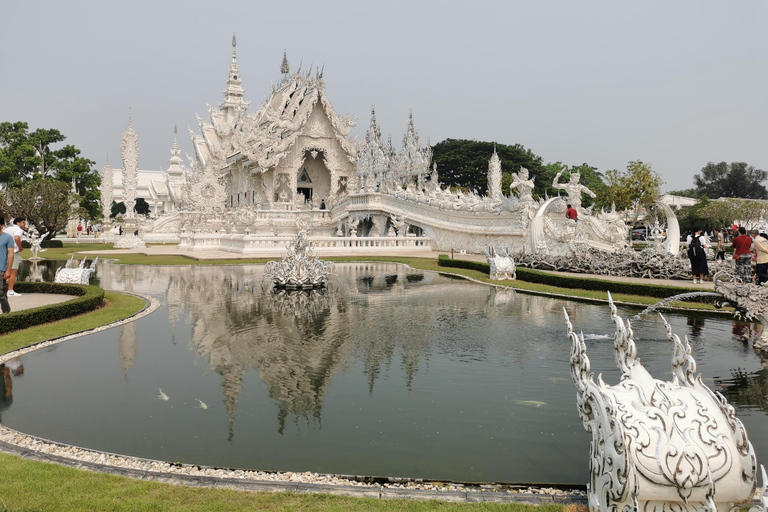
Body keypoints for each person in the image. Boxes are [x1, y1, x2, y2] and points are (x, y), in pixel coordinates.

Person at [4, 217, 27, 297]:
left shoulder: (8, 229)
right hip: (13, 252)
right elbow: (16, 238)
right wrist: (20, 247)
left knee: (4, 271)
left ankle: (3, 289)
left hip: (5, 251)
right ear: (18, 223)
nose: (24, 224)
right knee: (13, 271)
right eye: (23, 222)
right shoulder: (19, 230)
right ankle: (10, 291)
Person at [0, 217, 15, 314]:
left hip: (1, 268)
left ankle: (6, 313)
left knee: (1, 292)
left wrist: (8, 269)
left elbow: (11, 254)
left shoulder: (8, 238)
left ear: (2, 225)